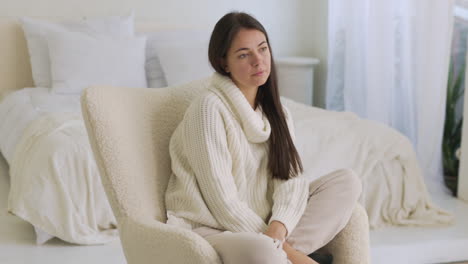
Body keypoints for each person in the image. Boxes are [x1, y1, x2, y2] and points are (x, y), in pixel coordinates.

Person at [165, 11, 362, 264]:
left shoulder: (278, 113)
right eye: (244, 55)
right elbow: (222, 202)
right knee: (264, 252)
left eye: (263, 49)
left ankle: (282, 253)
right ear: (223, 62)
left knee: (347, 182)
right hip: (212, 228)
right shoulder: (208, 109)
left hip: (267, 229)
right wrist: (276, 246)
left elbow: (291, 181)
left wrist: (278, 229)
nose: (259, 61)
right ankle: (286, 254)